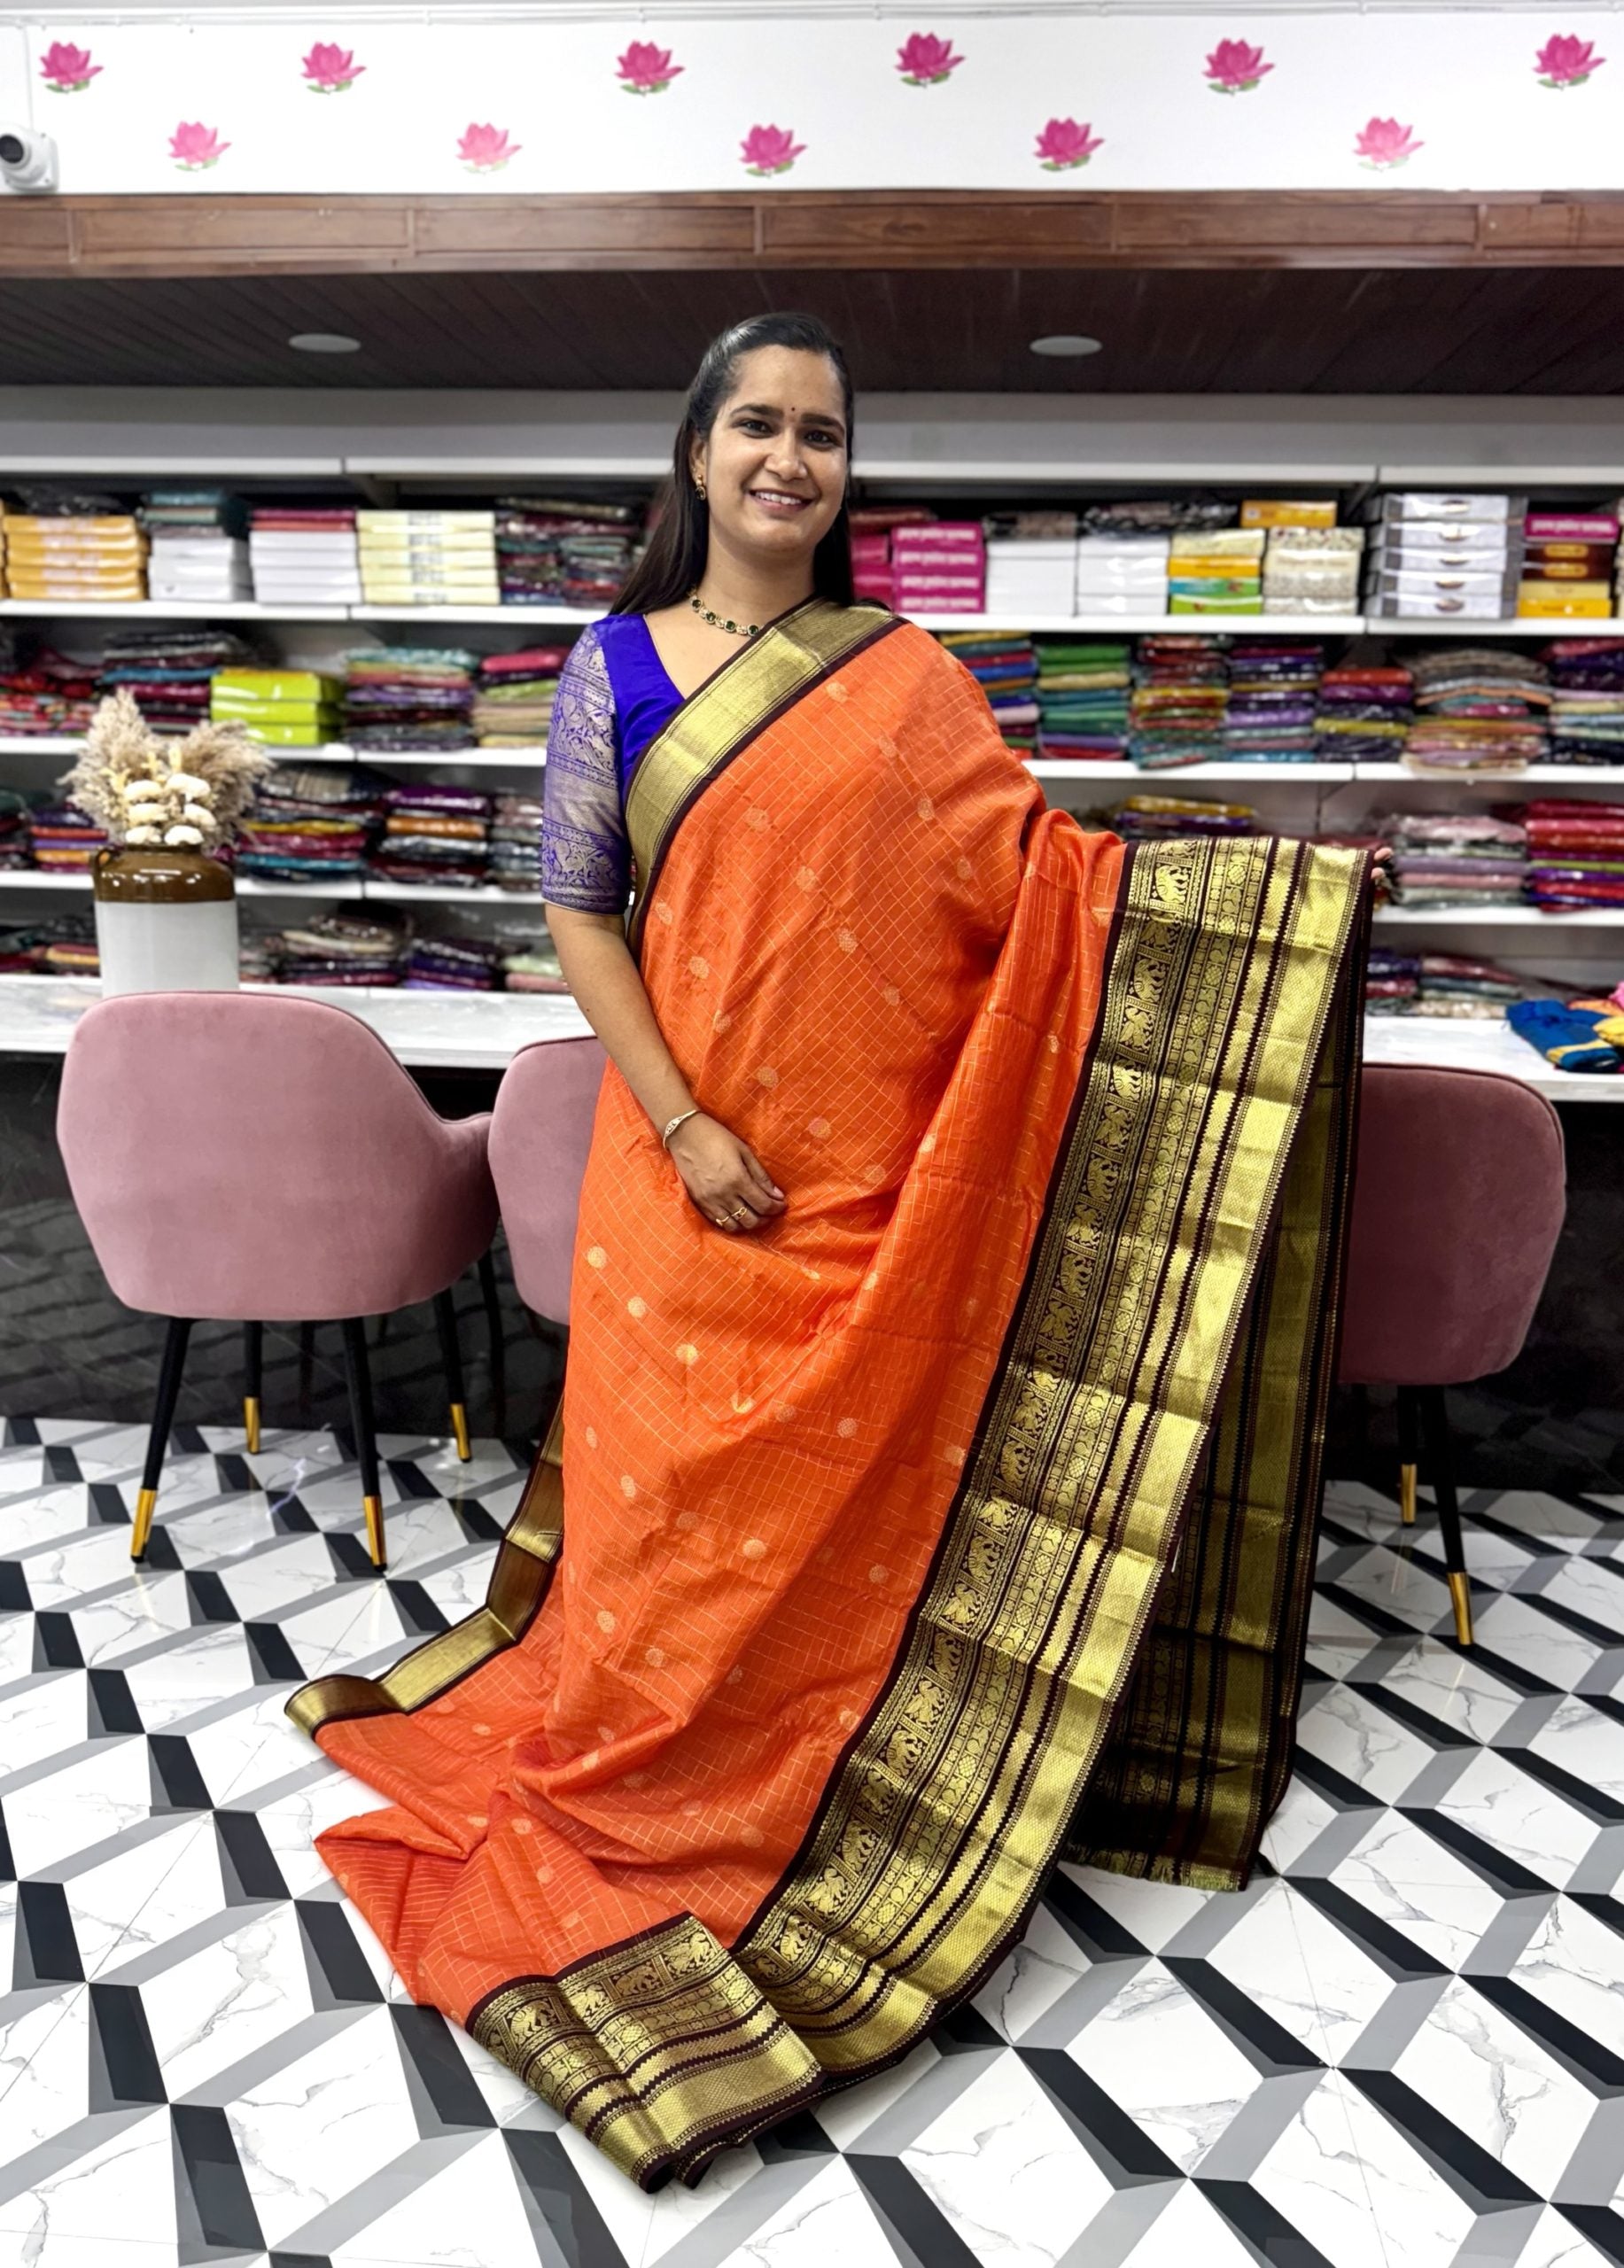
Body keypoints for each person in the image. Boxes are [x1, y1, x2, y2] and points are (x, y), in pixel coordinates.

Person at [289, 313, 1371, 2191]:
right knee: (661, 1510)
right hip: (680, 1174)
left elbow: (1037, 885)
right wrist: (691, 1122)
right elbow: (576, 915)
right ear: (697, 453)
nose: (792, 457)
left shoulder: (906, 677)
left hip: (874, 1187)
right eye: (760, 426)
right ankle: (647, 1756)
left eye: (825, 434)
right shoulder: (610, 668)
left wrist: (1243, 904)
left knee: (834, 1501)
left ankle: (825, 1779)